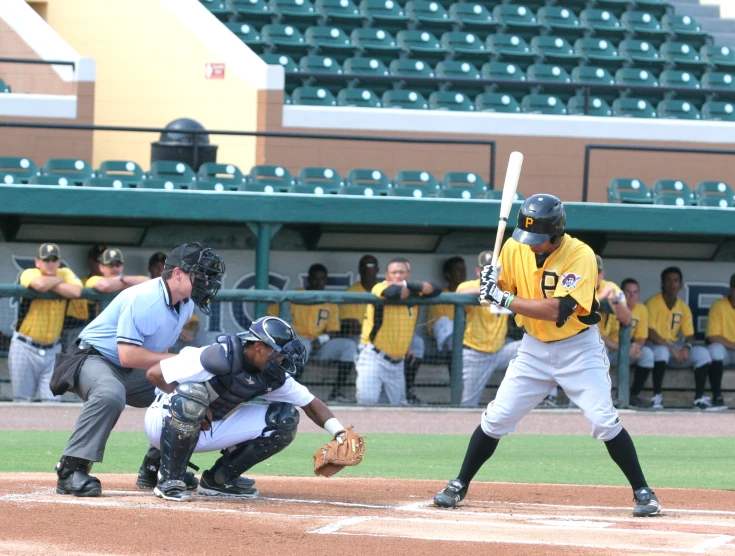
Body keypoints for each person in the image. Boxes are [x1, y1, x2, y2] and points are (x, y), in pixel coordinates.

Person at [434, 194, 661, 518]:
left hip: (578, 348)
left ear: (556, 233)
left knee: (603, 420)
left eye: (539, 240)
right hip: (534, 349)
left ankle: (644, 492)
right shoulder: (515, 246)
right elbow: (503, 286)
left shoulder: (580, 254)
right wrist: (489, 282)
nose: (532, 245)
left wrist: (504, 297)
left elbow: (559, 309)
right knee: (497, 417)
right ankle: (459, 484)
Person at [54, 243, 225, 497]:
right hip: (92, 357)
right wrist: (183, 359)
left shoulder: (186, 303)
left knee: (189, 395)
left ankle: (157, 467)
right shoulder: (145, 298)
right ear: (177, 273)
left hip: (128, 368)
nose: (206, 282)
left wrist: (182, 377)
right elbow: (128, 354)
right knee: (110, 394)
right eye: (199, 274)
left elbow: (152, 361)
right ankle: (71, 469)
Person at [143, 316, 357, 501]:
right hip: (162, 422)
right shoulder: (216, 356)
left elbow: (310, 404)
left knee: (285, 418)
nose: (282, 361)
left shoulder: (271, 375)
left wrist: (340, 433)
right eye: (278, 354)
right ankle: (170, 478)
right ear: (258, 346)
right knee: (192, 396)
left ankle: (219, 480)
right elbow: (154, 373)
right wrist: (195, 404)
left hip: (208, 428)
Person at [355, 257, 440, 405]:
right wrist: (410, 287)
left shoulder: (414, 292)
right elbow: (395, 292)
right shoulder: (380, 287)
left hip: (398, 362)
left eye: (402, 272)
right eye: (394, 273)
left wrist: (408, 285)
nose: (398, 276)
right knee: (366, 402)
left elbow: (435, 289)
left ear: (408, 274)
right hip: (374, 356)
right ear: (387, 275)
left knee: (397, 407)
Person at [268, 264, 357, 403]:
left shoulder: (329, 301)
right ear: (309, 279)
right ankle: (291, 391)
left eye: (322, 279)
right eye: (315, 279)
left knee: (349, 346)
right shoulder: (295, 295)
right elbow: (272, 316)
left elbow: (334, 330)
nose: (318, 282)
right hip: (297, 341)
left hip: (319, 344)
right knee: (304, 346)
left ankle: (337, 391)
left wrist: (321, 339)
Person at [10, 243, 83, 402]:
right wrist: (58, 280)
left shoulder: (65, 272)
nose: (50, 263)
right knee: (22, 401)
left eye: (53, 260)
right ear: (38, 262)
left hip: (52, 350)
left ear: (58, 262)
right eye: (46, 260)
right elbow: (40, 285)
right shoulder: (29, 272)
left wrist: (53, 281)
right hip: (24, 347)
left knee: (52, 401)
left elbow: (76, 291)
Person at [639, 266, 712, 410]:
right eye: (668, 280)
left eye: (676, 281)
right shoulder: (653, 302)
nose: (672, 284)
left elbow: (690, 335)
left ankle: (699, 399)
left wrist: (686, 347)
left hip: (674, 350)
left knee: (703, 354)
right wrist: (672, 348)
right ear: (662, 283)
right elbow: (650, 332)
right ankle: (657, 397)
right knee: (662, 351)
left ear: (681, 284)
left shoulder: (683, 307)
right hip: (655, 347)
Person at [456, 251, 521, 407]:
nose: (493, 272)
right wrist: (486, 288)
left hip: (501, 351)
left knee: (536, 348)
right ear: (478, 271)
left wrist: (498, 288)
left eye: (496, 269)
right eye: (487, 269)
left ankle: (549, 398)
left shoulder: (507, 286)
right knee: (467, 404)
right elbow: (459, 292)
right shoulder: (469, 286)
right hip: (475, 353)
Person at [602, 278, 655, 408]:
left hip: (625, 351)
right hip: (611, 351)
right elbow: (601, 337)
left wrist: (636, 347)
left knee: (647, 355)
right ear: (622, 293)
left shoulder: (641, 309)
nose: (632, 296)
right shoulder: (612, 306)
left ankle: (633, 396)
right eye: (629, 292)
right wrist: (623, 349)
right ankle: (604, 397)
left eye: (635, 292)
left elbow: (642, 336)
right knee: (602, 352)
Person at [149, 250, 201, 355]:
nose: (160, 270)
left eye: (163, 266)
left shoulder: (182, 294)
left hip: (178, 347)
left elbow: (195, 324)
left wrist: (188, 332)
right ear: (150, 269)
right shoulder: (146, 291)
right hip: (152, 349)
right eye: (156, 266)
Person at [61, 244, 107, 351]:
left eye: (105, 261)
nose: (101, 264)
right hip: (82, 331)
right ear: (91, 262)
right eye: (98, 260)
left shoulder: (119, 283)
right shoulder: (83, 283)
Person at [703, 273, 735, 410]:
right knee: (715, 349)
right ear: (731, 288)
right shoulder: (719, 306)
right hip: (726, 352)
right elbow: (713, 337)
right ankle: (717, 396)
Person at [427, 256, 467, 352]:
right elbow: (442, 325)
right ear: (448, 274)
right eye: (458, 270)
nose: (463, 273)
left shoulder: (469, 293)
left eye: (464, 269)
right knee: (445, 323)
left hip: (466, 335)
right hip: (446, 337)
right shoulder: (440, 295)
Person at [340, 255, 379, 339]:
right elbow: (350, 323)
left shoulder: (384, 291)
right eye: (363, 265)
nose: (366, 269)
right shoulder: (350, 292)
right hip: (358, 336)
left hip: (383, 336)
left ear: (377, 270)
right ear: (359, 270)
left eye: (370, 265)